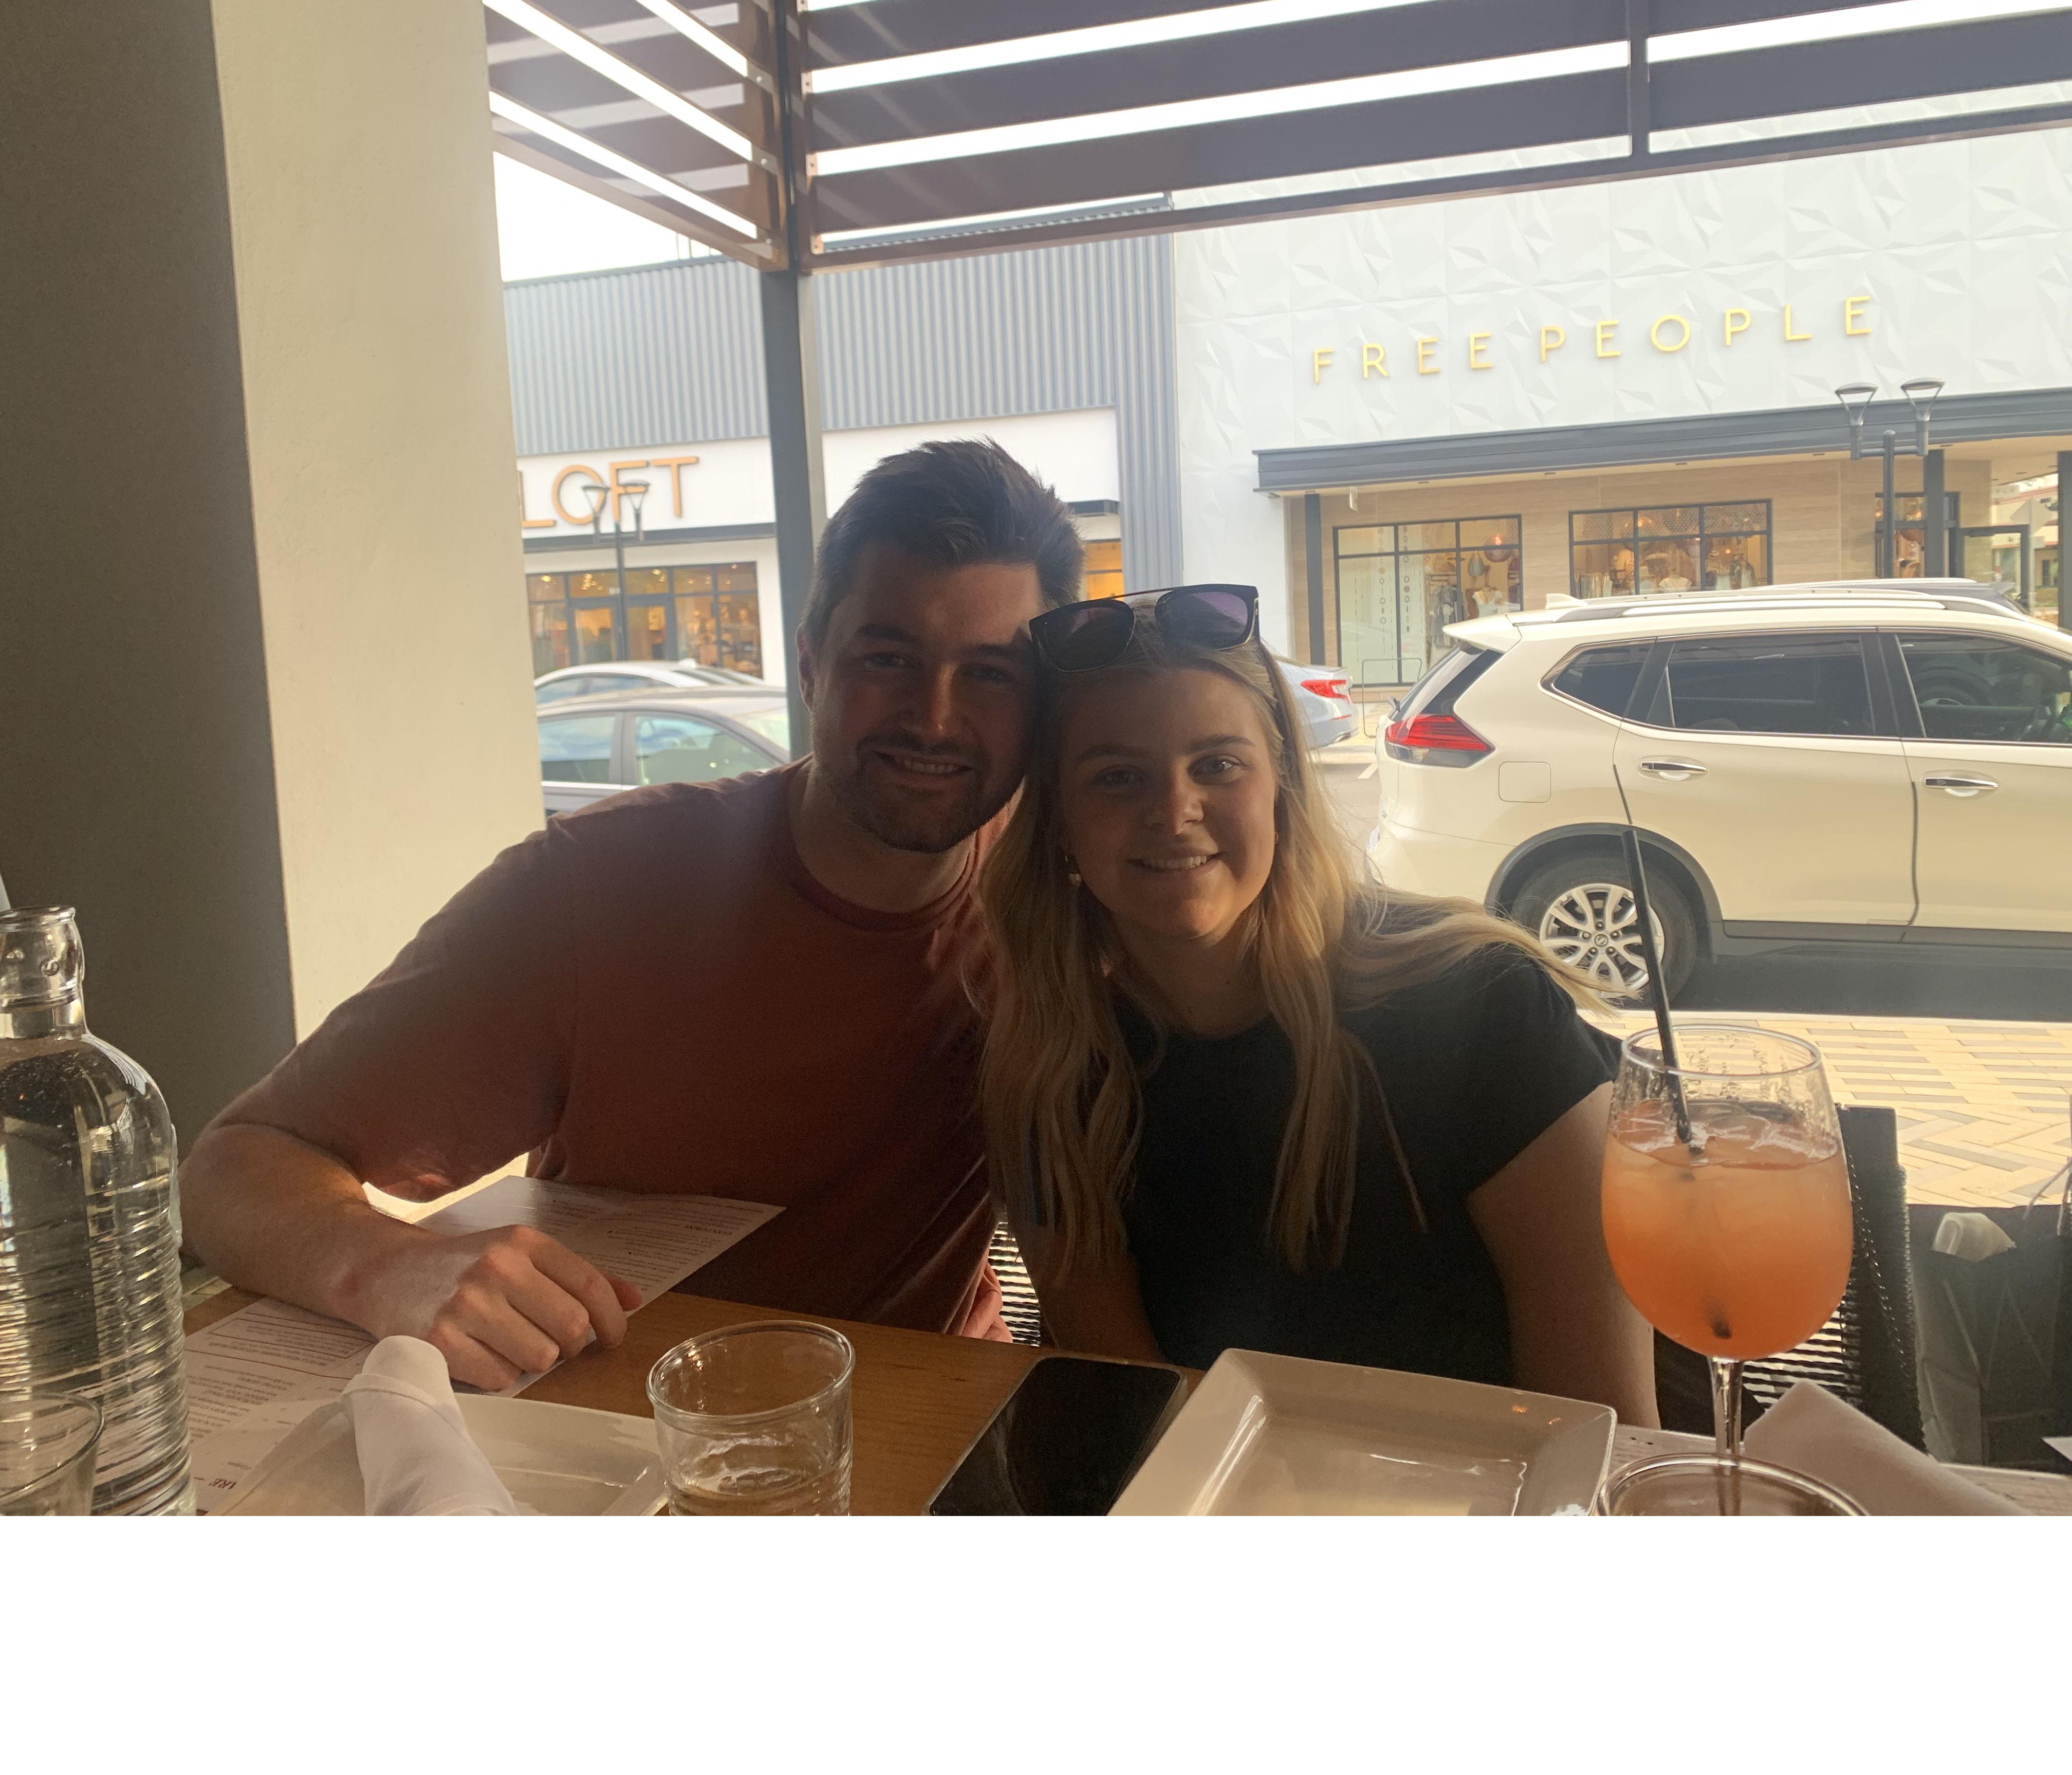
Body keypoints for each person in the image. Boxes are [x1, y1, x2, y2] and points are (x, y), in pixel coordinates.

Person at [180, 440, 1082, 1392]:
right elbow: (230, 1169)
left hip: (934, 1410)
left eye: (990, 674)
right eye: (888, 658)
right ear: (812, 665)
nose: (934, 718)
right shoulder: (595, 889)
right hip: (624, 1417)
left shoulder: (1061, 896)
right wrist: (389, 1267)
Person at [976, 584, 1658, 1420]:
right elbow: (1138, 1415)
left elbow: (1603, 1424)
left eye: (1217, 765)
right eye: (1117, 778)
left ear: (1283, 786)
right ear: (1059, 823)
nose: (1174, 811)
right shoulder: (1055, 1072)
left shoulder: (1484, 1004)